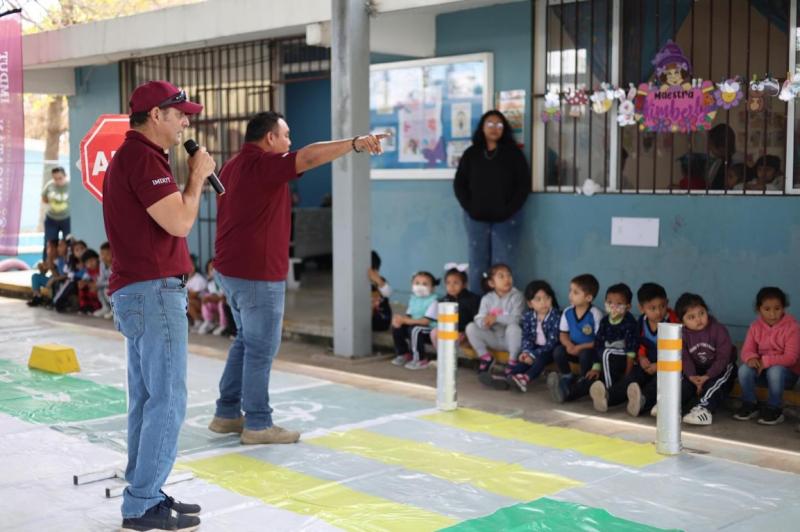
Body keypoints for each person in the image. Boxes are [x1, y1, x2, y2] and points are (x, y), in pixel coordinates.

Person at [209, 111, 386, 445]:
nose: (290, 142)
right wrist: (354, 143)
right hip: (256, 273)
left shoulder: (232, 165)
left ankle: (227, 413)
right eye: (286, 135)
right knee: (260, 348)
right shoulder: (263, 165)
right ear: (270, 138)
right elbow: (310, 155)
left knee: (246, 341)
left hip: (231, 270)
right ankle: (258, 424)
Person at [103, 80, 215, 531]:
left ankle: (144, 489)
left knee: (148, 398)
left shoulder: (133, 157)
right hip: (153, 292)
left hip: (138, 291)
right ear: (156, 115)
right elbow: (182, 222)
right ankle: (142, 501)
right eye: (179, 114)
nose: (185, 121)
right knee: (167, 399)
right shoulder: (143, 159)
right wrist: (198, 177)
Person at [453, 110, 530, 294]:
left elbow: (523, 185)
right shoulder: (471, 153)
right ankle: (479, 309)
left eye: (499, 125)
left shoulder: (513, 154)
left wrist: (509, 210)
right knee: (477, 262)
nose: (494, 128)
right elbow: (459, 184)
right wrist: (470, 208)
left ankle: (503, 311)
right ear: (482, 127)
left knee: (502, 265)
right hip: (476, 218)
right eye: (490, 124)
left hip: (507, 219)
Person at [734, 287, 800, 425]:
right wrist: (751, 358)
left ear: (784, 308)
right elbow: (746, 350)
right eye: (767, 309)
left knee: (775, 370)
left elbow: (791, 357)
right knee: (744, 369)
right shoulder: (755, 327)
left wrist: (766, 361)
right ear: (759, 310)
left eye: (777, 308)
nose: (773, 314)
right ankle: (750, 404)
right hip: (762, 374)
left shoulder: (792, 327)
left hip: (785, 376)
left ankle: (774, 407)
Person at [676, 293, 736, 426]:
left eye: (701, 313)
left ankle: (704, 409)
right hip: (697, 370)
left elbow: (723, 358)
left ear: (706, 311)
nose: (698, 319)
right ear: (682, 321)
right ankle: (673, 406)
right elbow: (684, 357)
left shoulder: (719, 330)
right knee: (681, 378)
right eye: (691, 317)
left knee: (714, 383)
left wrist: (707, 376)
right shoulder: (682, 334)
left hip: (721, 368)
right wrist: (692, 376)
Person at [465, 263, 524, 388]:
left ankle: (512, 363)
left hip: (510, 341)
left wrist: (496, 318)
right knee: (471, 327)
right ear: (492, 283)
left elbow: (517, 319)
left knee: (514, 328)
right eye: (501, 276)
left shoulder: (517, 296)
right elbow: (479, 317)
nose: (506, 279)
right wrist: (484, 322)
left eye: (509, 275)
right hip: (494, 338)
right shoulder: (487, 299)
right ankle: (486, 358)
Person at [624, 283, 679, 417]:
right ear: (642, 308)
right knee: (632, 376)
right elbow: (640, 344)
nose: (659, 312)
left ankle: (642, 401)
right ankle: (609, 397)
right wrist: (642, 358)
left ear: (667, 303)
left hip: (667, 366)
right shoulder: (641, 323)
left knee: (659, 382)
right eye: (652, 308)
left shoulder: (673, 322)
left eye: (662, 306)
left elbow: (677, 354)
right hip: (648, 364)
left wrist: (659, 366)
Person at [547, 274, 603, 403]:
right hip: (573, 348)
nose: (570, 295)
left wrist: (580, 347)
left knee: (585, 355)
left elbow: (599, 341)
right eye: (570, 291)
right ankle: (567, 375)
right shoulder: (567, 312)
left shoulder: (595, 314)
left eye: (576, 292)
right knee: (558, 351)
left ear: (588, 297)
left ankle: (583, 379)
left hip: (588, 350)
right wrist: (568, 345)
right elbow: (563, 334)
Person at [586, 284, 639, 410]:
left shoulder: (630, 322)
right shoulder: (604, 321)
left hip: (622, 359)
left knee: (606, 352)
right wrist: (596, 367)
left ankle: (609, 392)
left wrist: (627, 373)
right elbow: (598, 343)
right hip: (606, 360)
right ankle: (568, 391)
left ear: (628, 307)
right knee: (593, 371)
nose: (613, 306)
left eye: (619, 303)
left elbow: (631, 351)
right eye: (609, 302)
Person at [508, 280, 561, 393]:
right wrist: (526, 352)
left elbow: (552, 342)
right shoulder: (528, 317)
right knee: (523, 362)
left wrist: (533, 355)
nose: (544, 302)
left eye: (547, 298)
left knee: (540, 360)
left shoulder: (555, 316)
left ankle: (525, 379)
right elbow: (526, 336)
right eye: (538, 299)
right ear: (530, 304)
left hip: (550, 350)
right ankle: (510, 377)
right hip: (535, 348)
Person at [390, 271, 440, 370]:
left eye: (425, 284)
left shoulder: (434, 301)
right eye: (417, 283)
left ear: (433, 288)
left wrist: (406, 321)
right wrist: (400, 320)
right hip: (415, 327)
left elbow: (426, 321)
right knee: (397, 325)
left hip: (430, 331)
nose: (420, 286)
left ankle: (420, 359)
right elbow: (408, 316)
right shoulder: (413, 299)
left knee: (415, 329)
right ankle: (403, 354)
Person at [427, 265, 480, 351]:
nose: (451, 286)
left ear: (464, 285)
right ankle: (442, 358)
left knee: (456, 338)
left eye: (456, 283)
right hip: (452, 332)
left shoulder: (473, 300)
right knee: (434, 332)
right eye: (448, 283)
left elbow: (477, 321)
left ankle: (450, 360)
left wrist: (464, 333)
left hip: (467, 335)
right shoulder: (444, 300)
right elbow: (442, 321)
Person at [41, 166, 70, 260]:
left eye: (60, 178)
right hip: (51, 219)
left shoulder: (71, 184)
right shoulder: (49, 185)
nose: (58, 181)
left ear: (65, 176)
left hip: (67, 219)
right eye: (55, 178)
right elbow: (44, 198)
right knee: (49, 243)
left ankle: (68, 265)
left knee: (68, 243)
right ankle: (47, 265)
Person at [77, 249, 102, 314]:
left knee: (93, 290)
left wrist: (95, 284)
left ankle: (97, 308)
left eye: (92, 260)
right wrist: (83, 283)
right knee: (82, 288)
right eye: (87, 262)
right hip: (93, 287)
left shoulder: (101, 268)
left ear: (97, 259)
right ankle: (85, 307)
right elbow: (85, 279)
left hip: (100, 287)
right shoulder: (88, 271)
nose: (90, 263)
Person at [93, 242, 113, 319]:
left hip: (115, 286)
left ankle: (114, 310)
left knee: (106, 290)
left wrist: (100, 284)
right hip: (106, 285)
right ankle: (105, 307)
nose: (104, 257)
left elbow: (112, 281)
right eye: (102, 254)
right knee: (100, 289)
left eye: (107, 254)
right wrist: (97, 285)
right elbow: (102, 278)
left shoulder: (115, 265)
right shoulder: (102, 264)